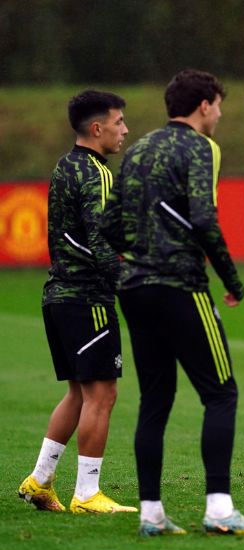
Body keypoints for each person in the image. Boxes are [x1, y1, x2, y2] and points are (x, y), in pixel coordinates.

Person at [101, 69, 244, 536]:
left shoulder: (136, 149)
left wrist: (140, 248)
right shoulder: (200, 147)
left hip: (134, 287)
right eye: (218, 105)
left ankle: (151, 513)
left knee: (155, 400)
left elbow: (109, 223)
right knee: (221, 394)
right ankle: (219, 510)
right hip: (181, 284)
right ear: (203, 105)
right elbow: (204, 218)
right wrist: (233, 281)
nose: (219, 114)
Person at [18, 90, 137, 514]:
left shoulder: (64, 166)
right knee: (102, 395)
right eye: (119, 122)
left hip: (58, 295)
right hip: (87, 298)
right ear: (97, 127)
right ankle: (87, 493)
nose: (125, 130)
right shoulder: (96, 173)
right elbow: (101, 242)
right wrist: (131, 286)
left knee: (79, 394)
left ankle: (40, 480)